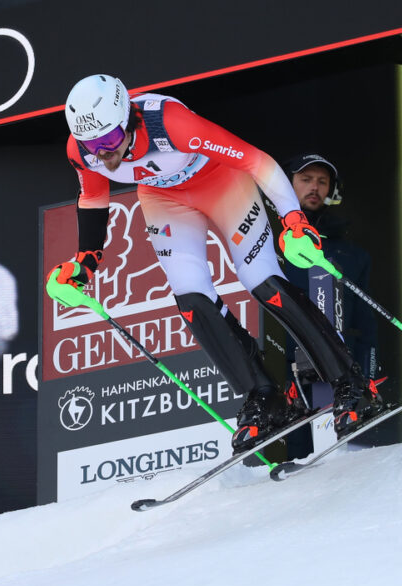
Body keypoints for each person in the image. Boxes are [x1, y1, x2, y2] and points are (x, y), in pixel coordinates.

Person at [45, 74, 384, 452]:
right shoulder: (81, 151)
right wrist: (85, 261)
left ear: (128, 119)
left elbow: (259, 162)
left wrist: (293, 220)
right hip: (164, 198)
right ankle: (263, 397)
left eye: (108, 140)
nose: (103, 154)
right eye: (92, 145)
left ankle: (351, 384)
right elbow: (93, 198)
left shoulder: (171, 123)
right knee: (190, 297)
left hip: (221, 182)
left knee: (261, 279)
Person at [280, 153, 380, 381]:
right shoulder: (267, 239)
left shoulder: (354, 255)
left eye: (322, 181)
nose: (314, 187)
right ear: (286, 183)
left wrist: (369, 375)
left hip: (339, 376)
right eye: (306, 179)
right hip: (284, 372)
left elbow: (366, 325)